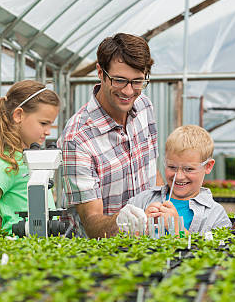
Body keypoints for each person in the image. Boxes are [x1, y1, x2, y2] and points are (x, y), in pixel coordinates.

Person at [58, 33, 163, 238]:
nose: (129, 91)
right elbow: (91, 224)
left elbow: (151, 168)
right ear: (100, 72)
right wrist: (122, 222)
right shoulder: (78, 138)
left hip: (148, 242)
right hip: (96, 254)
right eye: (120, 80)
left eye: (138, 81)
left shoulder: (144, 107)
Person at [0, 80, 60, 234]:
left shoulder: (31, 160)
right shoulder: (4, 164)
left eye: (50, 125)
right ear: (18, 115)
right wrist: (1, 218)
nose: (48, 132)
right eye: (44, 123)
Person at [121, 125, 231, 235]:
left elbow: (214, 250)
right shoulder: (141, 201)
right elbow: (120, 241)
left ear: (208, 166)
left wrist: (177, 227)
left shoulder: (216, 215)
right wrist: (141, 227)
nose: (178, 176)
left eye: (189, 169)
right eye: (172, 167)